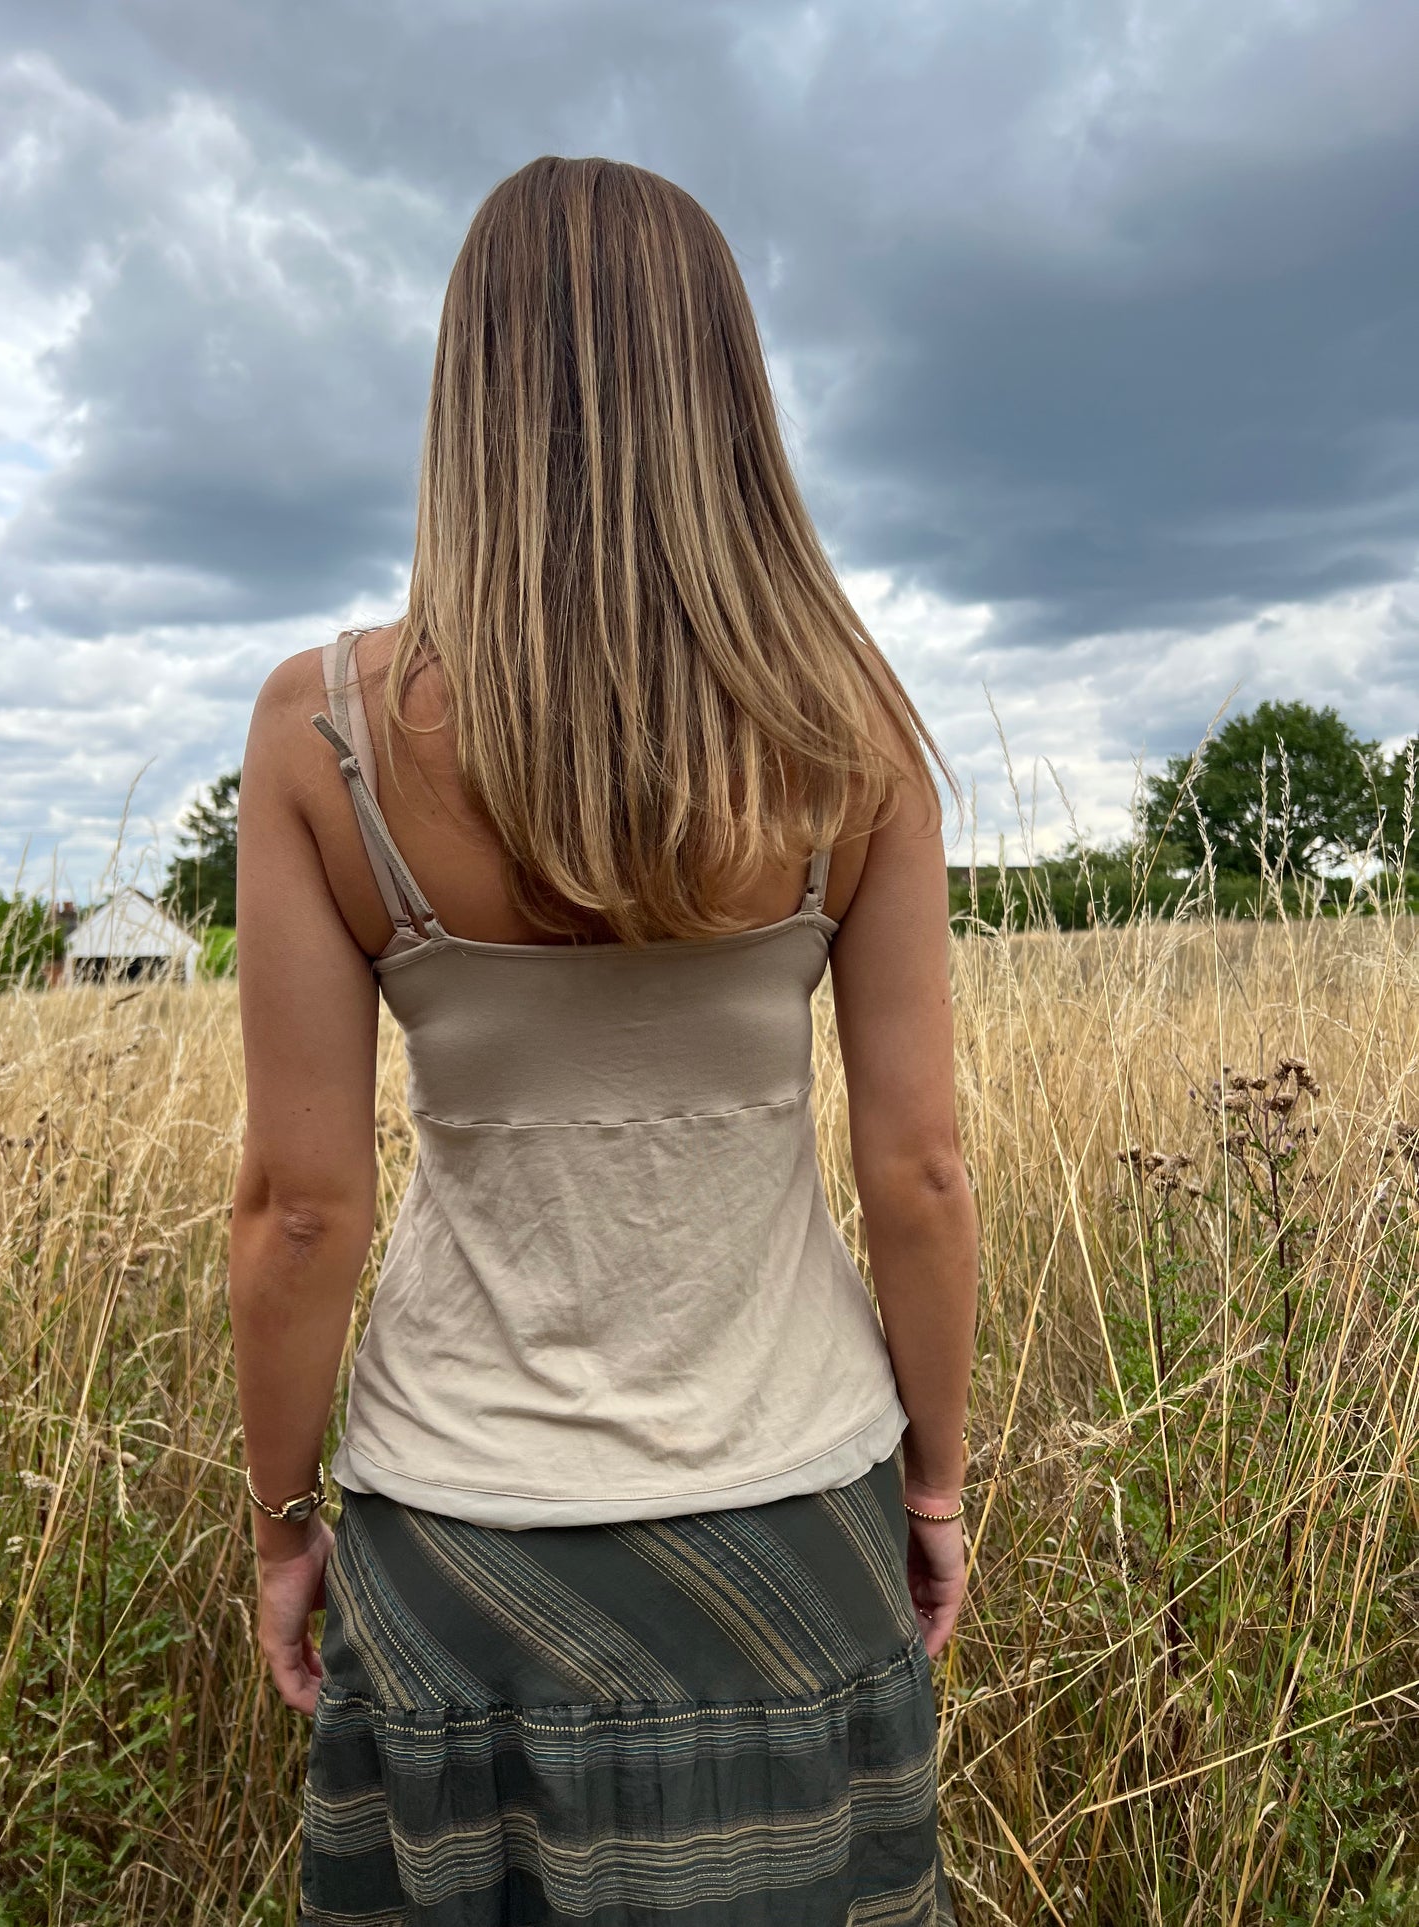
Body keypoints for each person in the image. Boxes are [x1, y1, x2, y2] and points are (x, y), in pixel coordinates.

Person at [231, 154, 979, 1927]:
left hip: (454, 1532)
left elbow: (298, 1211)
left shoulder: (319, 733)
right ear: (721, 384)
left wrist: (279, 1523)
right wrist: (936, 1479)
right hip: (791, 1520)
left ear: (467, 389)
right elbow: (921, 1173)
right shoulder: (848, 728)